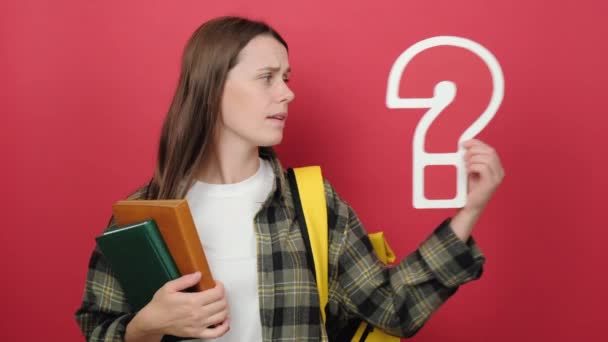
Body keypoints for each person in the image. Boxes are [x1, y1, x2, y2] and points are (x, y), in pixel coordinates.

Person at [75, 16, 504, 342]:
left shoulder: (312, 202)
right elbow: (98, 325)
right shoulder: (144, 213)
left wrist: (470, 211)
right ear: (212, 87)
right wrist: (148, 325)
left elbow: (393, 308)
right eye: (266, 78)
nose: (287, 92)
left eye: (286, 78)